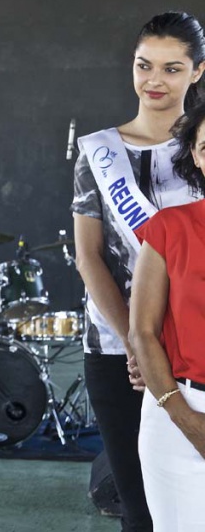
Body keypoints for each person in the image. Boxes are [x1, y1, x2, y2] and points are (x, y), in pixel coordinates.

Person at [73, 11, 205, 532]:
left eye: (172, 68)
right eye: (144, 65)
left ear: (197, 71)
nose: (155, 80)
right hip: (116, 352)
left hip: (194, 351)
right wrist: (135, 342)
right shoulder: (97, 152)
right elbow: (89, 255)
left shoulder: (202, 146)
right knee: (138, 505)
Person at [129, 101, 205, 531]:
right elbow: (142, 331)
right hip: (178, 413)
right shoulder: (168, 228)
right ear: (195, 156)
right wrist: (186, 419)